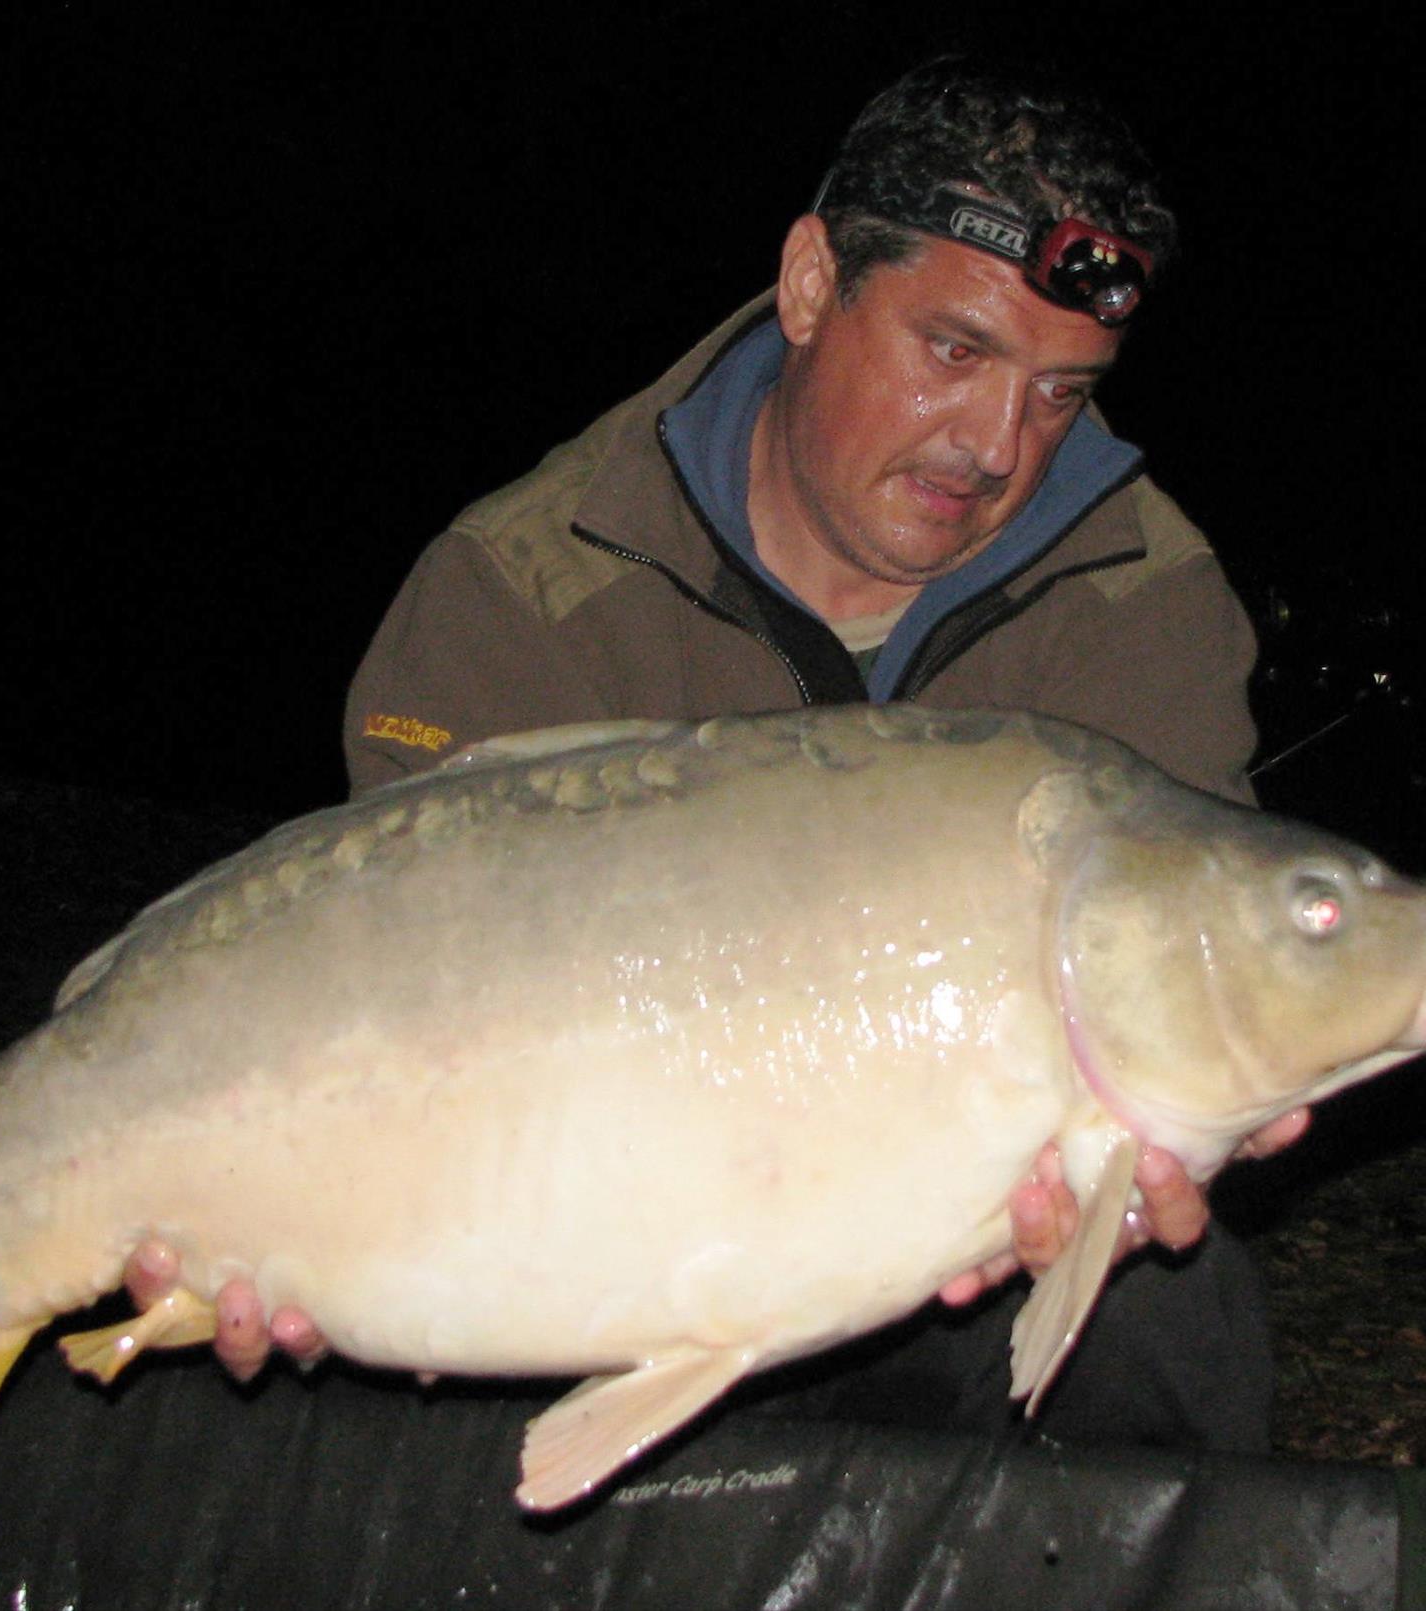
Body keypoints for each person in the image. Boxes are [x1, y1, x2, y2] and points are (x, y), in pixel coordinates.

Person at [128, 55, 1306, 1450]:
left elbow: (1177, 970)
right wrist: (305, 1233)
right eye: (955, 351)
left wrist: (1189, 1124)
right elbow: (376, 996)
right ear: (812, 286)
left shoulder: (1141, 599)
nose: (998, 444)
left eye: (1061, 391)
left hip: (952, 1245)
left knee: (1171, 1313)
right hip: (559, 1195)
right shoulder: (527, 583)